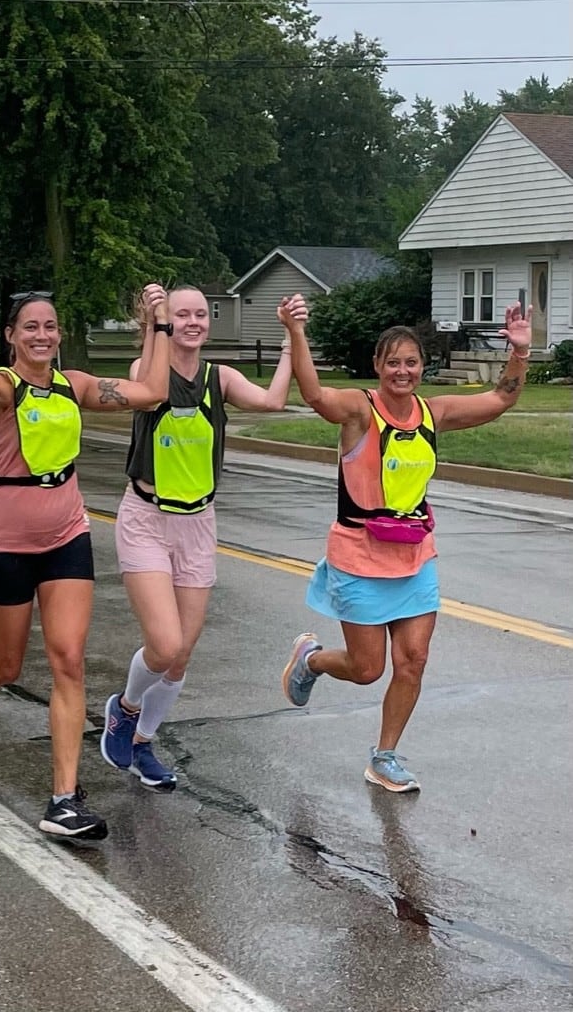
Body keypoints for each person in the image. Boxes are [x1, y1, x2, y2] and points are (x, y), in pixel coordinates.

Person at [0, 286, 172, 841]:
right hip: (0, 545)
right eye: (30, 327)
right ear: (13, 336)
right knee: (7, 665)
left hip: (67, 537)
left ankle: (63, 800)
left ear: (59, 334)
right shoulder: (1, 386)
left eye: (50, 326)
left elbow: (153, 392)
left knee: (69, 661)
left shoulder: (75, 385)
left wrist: (157, 325)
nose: (42, 335)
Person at [278, 298, 534, 793]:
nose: (402, 371)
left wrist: (519, 353)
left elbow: (501, 399)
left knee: (413, 659)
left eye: (411, 362)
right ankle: (311, 660)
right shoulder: (360, 410)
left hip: (414, 554)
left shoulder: (433, 413)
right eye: (392, 362)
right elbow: (313, 394)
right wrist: (296, 330)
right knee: (366, 668)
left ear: (422, 368)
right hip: (358, 554)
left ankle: (385, 756)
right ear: (377, 366)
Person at [100, 286, 310, 790]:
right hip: (146, 519)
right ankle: (124, 708)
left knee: (183, 652)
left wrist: (290, 337)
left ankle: (143, 740)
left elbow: (274, 400)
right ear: (165, 320)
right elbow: (144, 385)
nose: (193, 322)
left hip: (198, 524)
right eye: (181, 314)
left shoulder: (222, 378)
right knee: (164, 644)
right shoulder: (145, 373)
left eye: (200, 314)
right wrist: (155, 324)